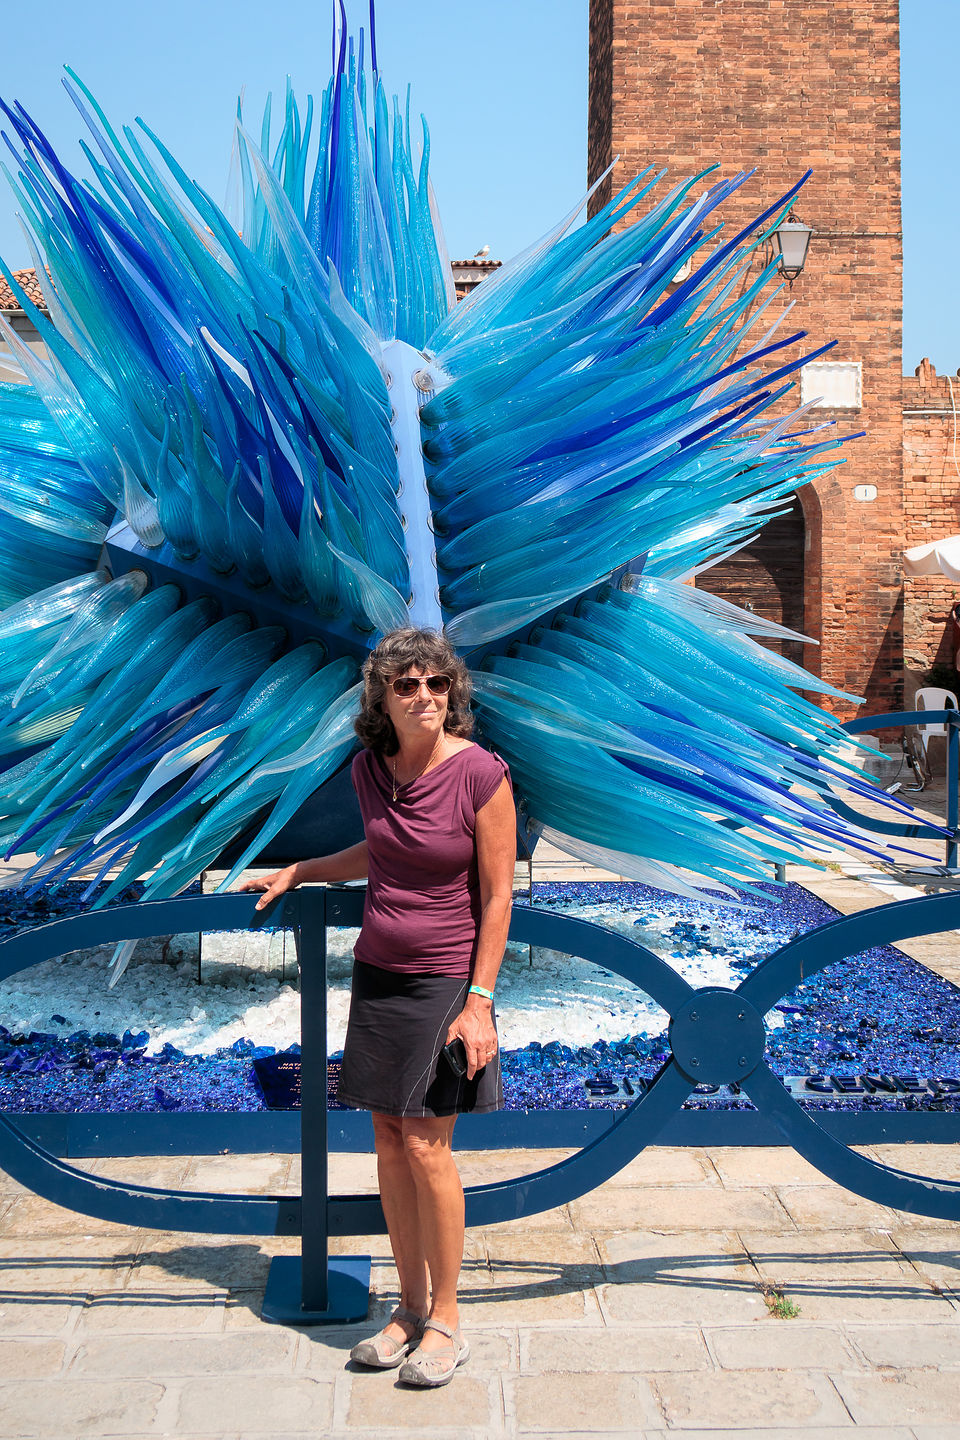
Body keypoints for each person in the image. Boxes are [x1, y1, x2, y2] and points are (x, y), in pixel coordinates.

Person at [240, 627, 516, 1387]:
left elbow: (497, 896)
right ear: (383, 698)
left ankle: (448, 1321)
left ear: (451, 692)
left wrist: (480, 1002)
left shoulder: (481, 775)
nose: (426, 697)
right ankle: (407, 1307)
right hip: (380, 974)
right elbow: (382, 849)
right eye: (409, 685)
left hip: (444, 983)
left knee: (430, 1148)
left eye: (437, 684)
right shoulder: (371, 770)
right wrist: (300, 869)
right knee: (389, 1143)